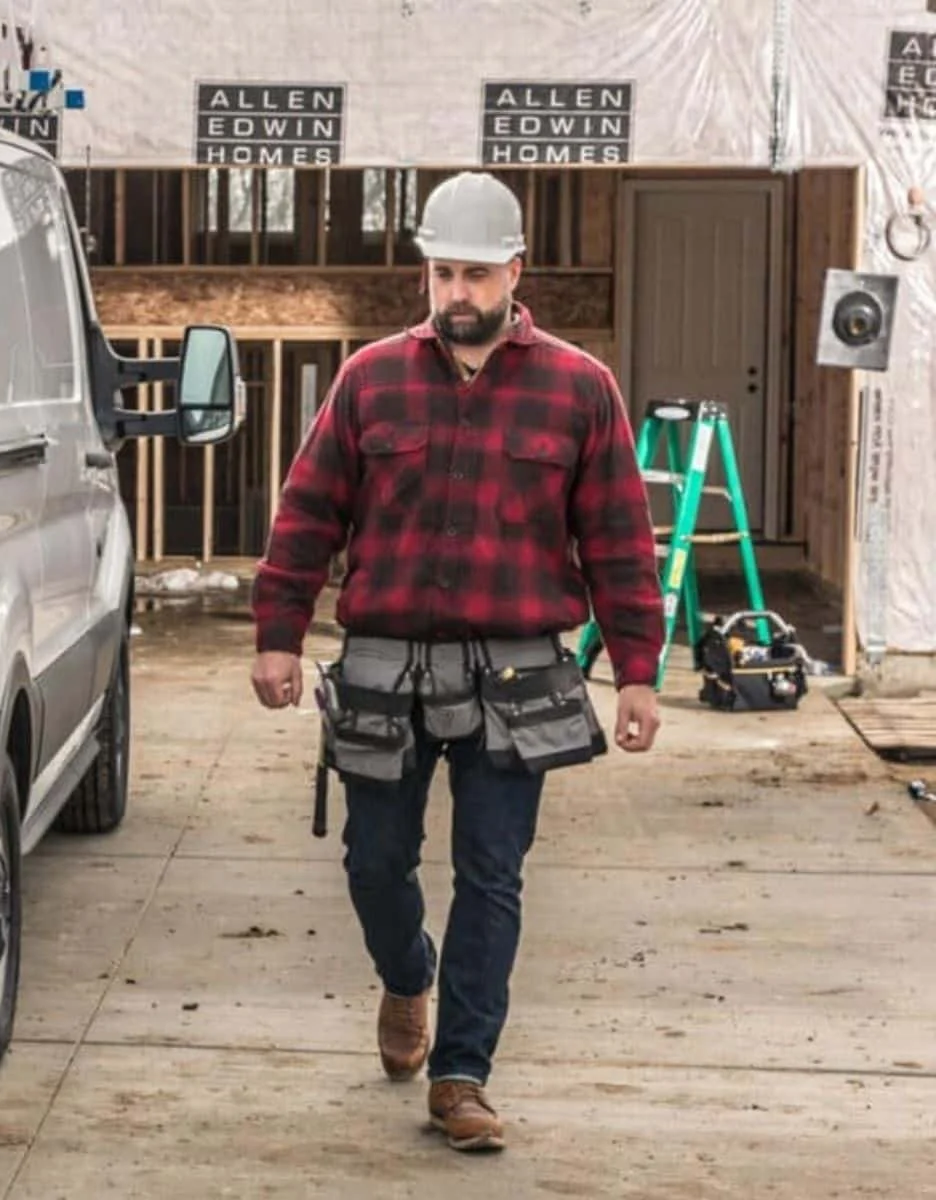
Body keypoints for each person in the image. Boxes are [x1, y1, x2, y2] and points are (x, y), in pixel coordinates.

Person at [247, 171, 664, 1153]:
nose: (458, 294)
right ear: (424, 275)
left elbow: (617, 537)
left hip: (518, 678)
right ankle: (406, 975)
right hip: (386, 669)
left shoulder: (577, 387)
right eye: (442, 274)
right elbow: (308, 513)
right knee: (374, 862)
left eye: (476, 273)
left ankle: (463, 1072)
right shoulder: (371, 379)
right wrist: (278, 632)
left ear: (517, 272)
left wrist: (638, 670)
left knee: (493, 874)